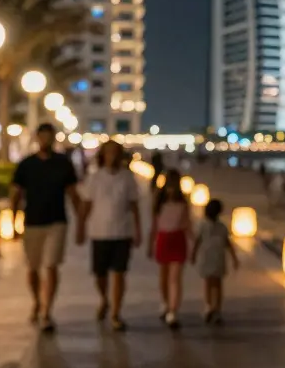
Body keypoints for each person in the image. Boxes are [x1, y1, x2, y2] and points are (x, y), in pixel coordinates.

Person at [10, 123, 82, 333]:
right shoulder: (26, 165)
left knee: (51, 266)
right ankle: (37, 301)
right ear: (37, 138)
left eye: (49, 137)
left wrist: (81, 223)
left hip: (57, 221)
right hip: (32, 222)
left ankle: (46, 311)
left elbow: (73, 193)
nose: (45, 141)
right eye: (42, 136)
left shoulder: (63, 163)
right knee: (32, 269)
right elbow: (16, 194)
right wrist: (12, 223)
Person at [77, 140, 141, 331]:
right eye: (108, 152)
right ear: (102, 155)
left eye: (115, 152)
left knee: (120, 273)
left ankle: (116, 312)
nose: (112, 156)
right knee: (100, 274)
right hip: (100, 232)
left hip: (122, 232)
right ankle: (104, 299)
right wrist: (80, 226)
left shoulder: (127, 178)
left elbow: (134, 206)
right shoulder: (95, 178)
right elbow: (86, 204)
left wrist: (138, 230)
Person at [151, 174, 192, 329]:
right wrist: (150, 243)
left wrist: (195, 243)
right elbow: (155, 225)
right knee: (164, 276)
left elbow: (187, 224)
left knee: (174, 278)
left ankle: (173, 310)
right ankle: (166, 303)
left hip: (177, 239)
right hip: (164, 238)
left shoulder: (183, 203)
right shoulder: (159, 203)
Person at [191, 198, 239, 325]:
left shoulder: (202, 225)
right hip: (218, 257)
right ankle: (216, 308)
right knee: (217, 284)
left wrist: (193, 255)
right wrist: (234, 258)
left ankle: (209, 306)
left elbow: (197, 241)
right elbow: (228, 244)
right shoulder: (222, 227)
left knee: (208, 283)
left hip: (207, 257)